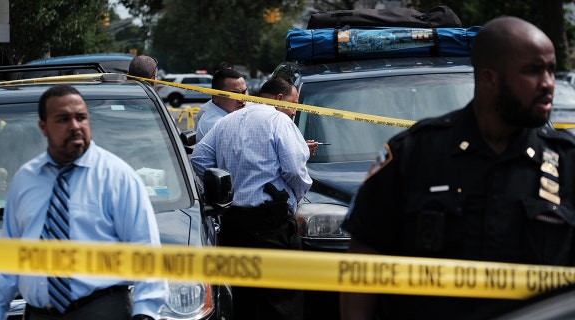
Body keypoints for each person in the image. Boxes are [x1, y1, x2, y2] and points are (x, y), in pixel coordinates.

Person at [340, 16, 575, 320]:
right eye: (532, 71)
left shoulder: (566, 161)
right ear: (489, 79)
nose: (547, 84)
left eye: (551, 70)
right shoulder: (414, 153)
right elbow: (364, 257)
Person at [0, 84, 166, 320]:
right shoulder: (25, 179)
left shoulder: (118, 177)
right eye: (63, 119)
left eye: (81, 117)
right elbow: (10, 255)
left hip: (102, 311)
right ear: (44, 127)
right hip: (39, 314)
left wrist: (145, 313)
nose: (75, 126)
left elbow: (146, 251)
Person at [190, 77, 312, 320]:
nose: (295, 110)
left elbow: (199, 159)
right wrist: (294, 199)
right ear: (279, 99)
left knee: (243, 301)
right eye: (294, 104)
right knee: (282, 300)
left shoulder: (227, 121)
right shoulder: (279, 121)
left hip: (233, 224)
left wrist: (225, 186)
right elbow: (295, 170)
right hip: (271, 226)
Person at [259, 76, 319, 156]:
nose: (294, 113)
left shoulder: (239, 117)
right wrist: (300, 152)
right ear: (279, 100)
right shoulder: (281, 122)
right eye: (293, 105)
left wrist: (297, 147)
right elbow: (292, 166)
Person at [194, 68, 248, 142]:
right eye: (234, 94)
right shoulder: (217, 124)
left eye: (244, 92)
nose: (242, 100)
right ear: (216, 97)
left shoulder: (226, 112)